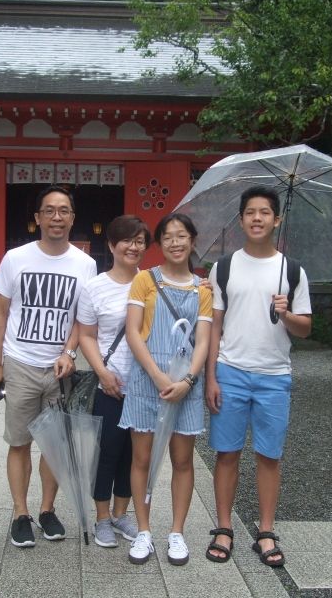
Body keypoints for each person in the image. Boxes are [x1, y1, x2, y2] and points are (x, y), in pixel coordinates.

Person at [204, 186, 312, 567]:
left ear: (277, 219)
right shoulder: (225, 267)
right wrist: (211, 376)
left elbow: (304, 330)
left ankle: (266, 531)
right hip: (230, 371)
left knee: (269, 455)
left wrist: (286, 312)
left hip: (274, 375)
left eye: (265, 212)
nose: (257, 218)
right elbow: (214, 325)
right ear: (241, 219)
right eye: (250, 212)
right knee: (226, 453)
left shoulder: (293, 271)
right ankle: (222, 527)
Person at [0, 185, 97, 548]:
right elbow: (0, 312)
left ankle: (48, 510)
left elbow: (84, 319)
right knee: (19, 442)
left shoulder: (85, 264)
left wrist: (70, 352)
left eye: (64, 211)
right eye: (49, 211)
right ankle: (21, 513)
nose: (56, 217)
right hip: (20, 364)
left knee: (55, 445)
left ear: (73, 218)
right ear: (37, 218)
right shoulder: (15, 259)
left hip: (58, 369)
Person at [119, 212, 212, 566]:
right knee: (141, 458)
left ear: (192, 240)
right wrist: (159, 377)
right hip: (147, 380)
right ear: (160, 243)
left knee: (182, 460)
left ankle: (176, 532)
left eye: (182, 235)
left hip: (186, 383)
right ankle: (143, 531)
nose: (175, 242)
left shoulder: (201, 288)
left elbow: (203, 340)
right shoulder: (144, 280)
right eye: (168, 236)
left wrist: (188, 380)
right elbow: (132, 332)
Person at [77, 215, 151, 548]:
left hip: (143, 384)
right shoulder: (94, 287)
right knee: (107, 451)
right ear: (111, 245)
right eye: (127, 240)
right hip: (110, 383)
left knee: (134, 456)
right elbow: (87, 335)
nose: (133, 247)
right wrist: (102, 372)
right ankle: (102, 518)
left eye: (139, 241)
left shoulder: (151, 283)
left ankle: (122, 515)